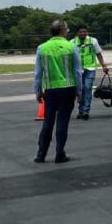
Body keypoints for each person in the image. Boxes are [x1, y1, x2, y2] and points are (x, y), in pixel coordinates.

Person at [33, 19, 82, 164]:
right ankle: (59, 153)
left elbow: (38, 73)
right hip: (67, 89)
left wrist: (37, 90)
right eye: (67, 29)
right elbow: (78, 71)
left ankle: (41, 154)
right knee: (62, 122)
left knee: (48, 122)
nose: (67, 32)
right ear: (62, 30)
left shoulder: (42, 48)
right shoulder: (71, 47)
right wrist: (80, 91)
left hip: (50, 90)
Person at [71, 25, 109, 120]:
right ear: (77, 33)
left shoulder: (93, 41)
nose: (83, 33)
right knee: (81, 89)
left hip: (90, 68)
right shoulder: (72, 42)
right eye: (81, 32)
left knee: (87, 88)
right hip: (78, 70)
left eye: (85, 31)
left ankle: (85, 111)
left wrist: (103, 65)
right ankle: (80, 110)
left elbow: (98, 54)